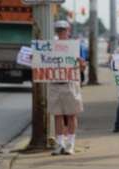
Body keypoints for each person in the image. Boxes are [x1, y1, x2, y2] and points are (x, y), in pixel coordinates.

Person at [49, 20, 85, 155]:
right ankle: (60, 144)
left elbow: (82, 65)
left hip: (70, 82)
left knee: (71, 114)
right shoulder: (50, 46)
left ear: (68, 30)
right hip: (54, 83)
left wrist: (82, 63)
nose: (61, 32)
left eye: (63, 30)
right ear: (56, 32)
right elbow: (43, 62)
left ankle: (70, 144)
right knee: (57, 115)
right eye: (59, 30)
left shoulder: (75, 46)